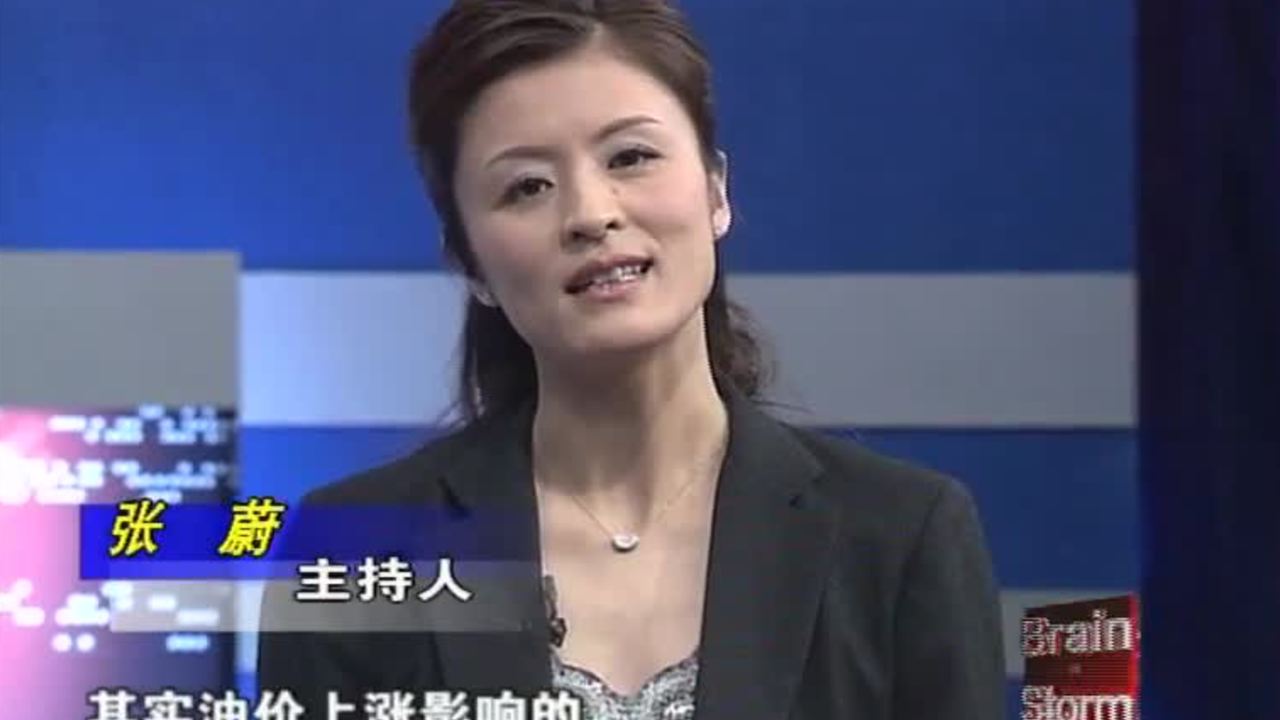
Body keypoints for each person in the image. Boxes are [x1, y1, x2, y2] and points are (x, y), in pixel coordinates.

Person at [257, 1, 1006, 718]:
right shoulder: (354, 549)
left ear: (716, 190)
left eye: (632, 156)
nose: (591, 214)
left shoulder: (901, 534)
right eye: (527, 187)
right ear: (470, 262)